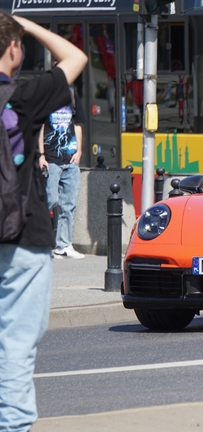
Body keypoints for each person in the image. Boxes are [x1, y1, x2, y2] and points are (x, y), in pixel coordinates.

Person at [0, 12, 87, 432]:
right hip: (23, 239)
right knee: (16, 348)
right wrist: (25, 25)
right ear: (13, 50)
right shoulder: (22, 96)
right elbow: (74, 57)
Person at [38, 81, 86, 259]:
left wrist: (79, 151)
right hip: (51, 159)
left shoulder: (72, 97)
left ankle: (63, 245)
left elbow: (78, 125)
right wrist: (41, 155)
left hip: (70, 160)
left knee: (68, 205)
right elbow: (40, 128)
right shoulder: (46, 98)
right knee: (49, 200)